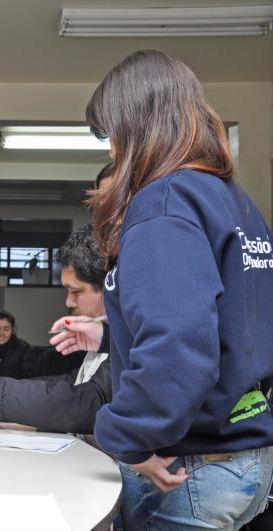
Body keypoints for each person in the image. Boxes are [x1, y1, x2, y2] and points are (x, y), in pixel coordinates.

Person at [87, 49, 273, 528]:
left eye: (112, 134)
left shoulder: (164, 201)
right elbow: (234, 328)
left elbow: (178, 346)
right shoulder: (233, 199)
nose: (111, 151)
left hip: (188, 470)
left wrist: (124, 435)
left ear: (137, 125)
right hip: (244, 457)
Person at [0, 224, 111, 440]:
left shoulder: (132, 334)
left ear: (108, 286)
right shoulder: (106, 334)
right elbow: (74, 383)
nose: (68, 302)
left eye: (76, 291)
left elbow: (89, 402)